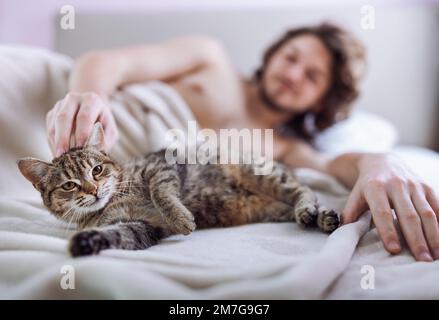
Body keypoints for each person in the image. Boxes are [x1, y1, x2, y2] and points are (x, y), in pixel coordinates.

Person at [45, 22, 439, 261]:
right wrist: (89, 96)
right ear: (272, 55)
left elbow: (339, 165)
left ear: (322, 101)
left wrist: (380, 163)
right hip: (64, 128)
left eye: (313, 75)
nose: (294, 73)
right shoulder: (208, 58)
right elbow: (107, 62)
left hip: (106, 191)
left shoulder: (285, 150)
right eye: (291, 56)